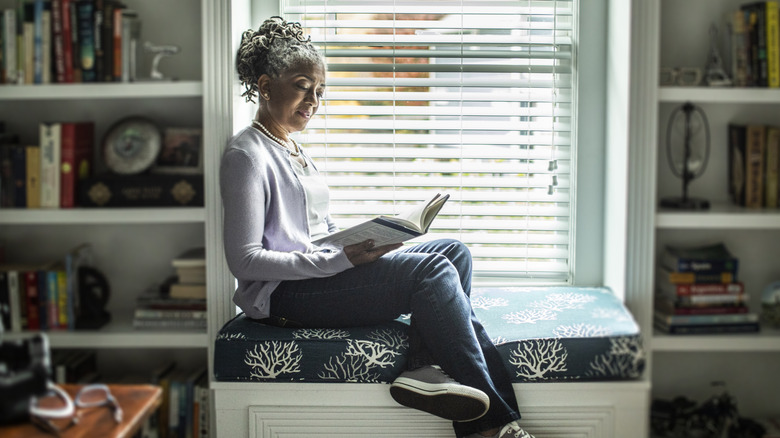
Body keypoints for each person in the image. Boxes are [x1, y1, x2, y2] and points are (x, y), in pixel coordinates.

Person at [221, 16, 535, 438]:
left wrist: (368, 240)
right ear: (265, 86)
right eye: (302, 86)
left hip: (319, 273)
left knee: (453, 252)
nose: (313, 100)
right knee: (431, 271)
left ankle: (424, 368)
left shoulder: (292, 147)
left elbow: (315, 229)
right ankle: (494, 427)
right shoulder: (247, 155)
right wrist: (339, 260)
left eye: (319, 91)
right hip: (283, 295)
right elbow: (244, 261)